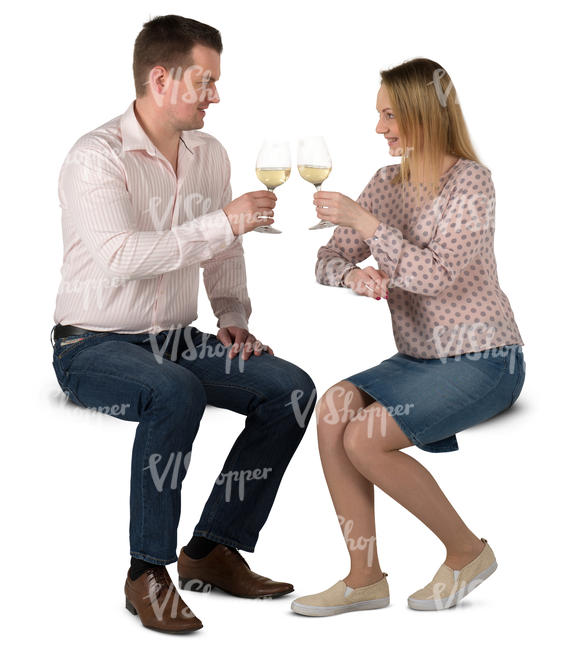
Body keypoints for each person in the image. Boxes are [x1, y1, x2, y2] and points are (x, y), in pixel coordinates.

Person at [50, 14, 316, 634]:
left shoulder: (208, 154)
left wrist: (234, 318)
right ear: (161, 77)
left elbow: (223, 250)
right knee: (175, 392)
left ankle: (212, 549)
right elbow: (120, 257)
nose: (215, 95)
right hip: (91, 343)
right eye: (205, 81)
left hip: (177, 338)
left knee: (293, 390)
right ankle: (147, 572)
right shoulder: (96, 156)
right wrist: (223, 221)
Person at [290, 57, 525, 616]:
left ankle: (467, 551)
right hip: (418, 358)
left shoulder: (471, 182)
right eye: (379, 115)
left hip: (484, 356)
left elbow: (436, 274)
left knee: (364, 438)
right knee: (332, 410)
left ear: (423, 113)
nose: (380, 128)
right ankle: (364, 577)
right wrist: (354, 273)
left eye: (389, 115)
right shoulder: (387, 182)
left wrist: (370, 227)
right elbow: (326, 257)